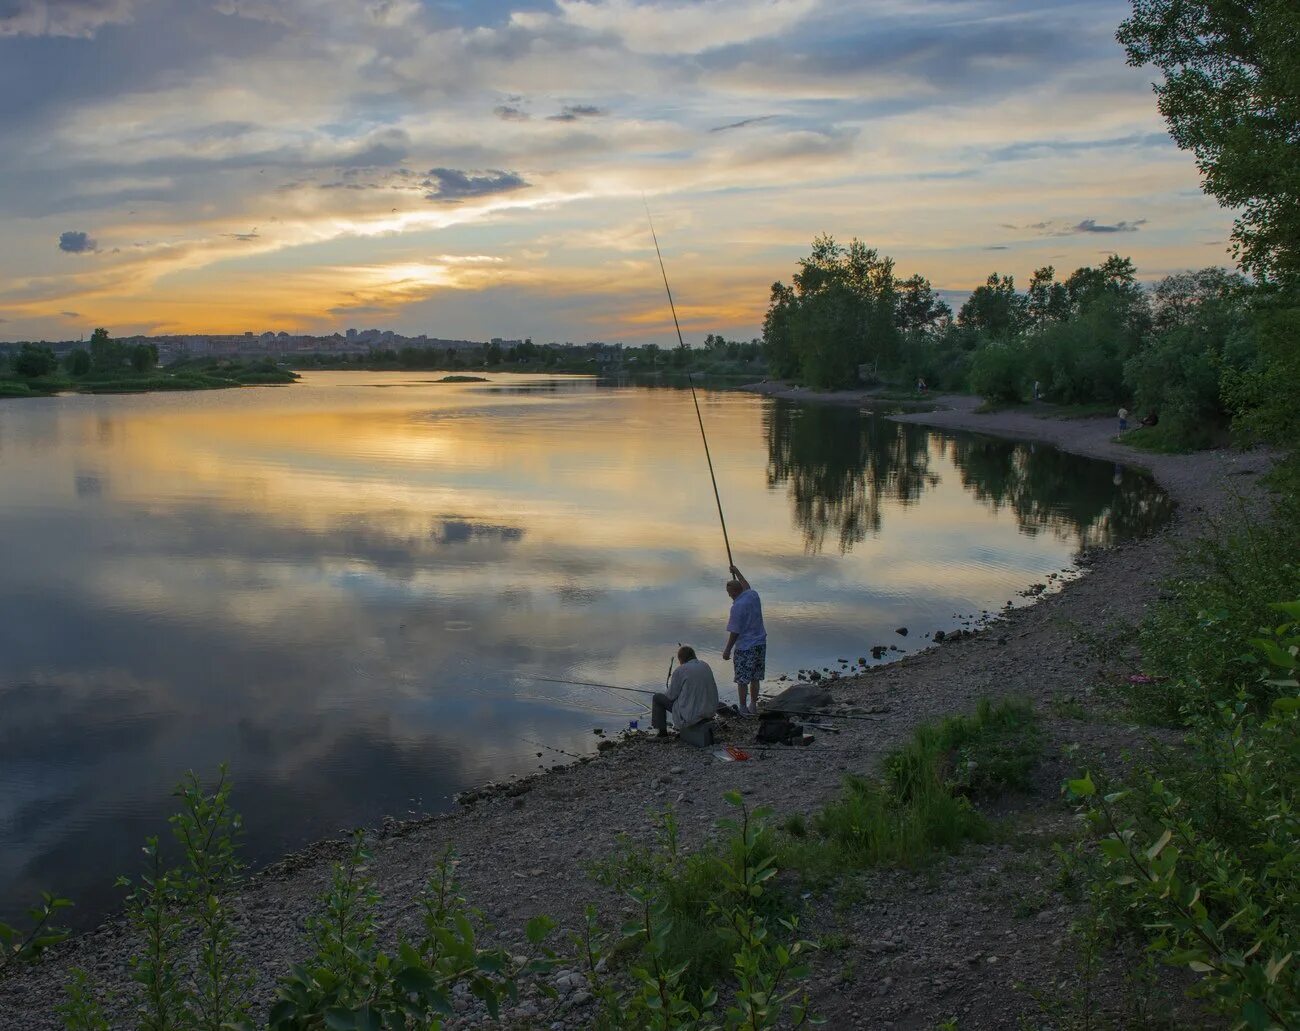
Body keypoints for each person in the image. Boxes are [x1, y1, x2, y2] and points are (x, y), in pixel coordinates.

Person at [722, 563, 766, 715]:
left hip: (746, 647)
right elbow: (746, 585)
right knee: (755, 677)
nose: (729, 596)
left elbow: (735, 631)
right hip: (760, 643)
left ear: (734, 592)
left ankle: (742, 707)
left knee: (742, 679)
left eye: (729, 593)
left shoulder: (737, 607)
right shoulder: (753, 595)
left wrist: (727, 650)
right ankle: (753, 704)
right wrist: (737, 572)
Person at [652, 645, 719, 738]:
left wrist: (667, 693)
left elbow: (670, 696)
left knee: (657, 698)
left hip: (691, 715)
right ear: (694, 655)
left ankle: (662, 734)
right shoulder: (705, 665)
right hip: (709, 711)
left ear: (681, 659)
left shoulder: (680, 670)